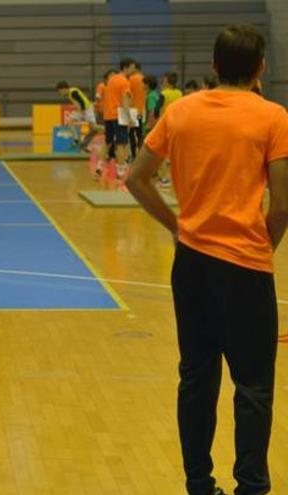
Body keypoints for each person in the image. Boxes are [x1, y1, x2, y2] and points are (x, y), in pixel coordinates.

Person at [126, 24, 288, 495]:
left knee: (196, 378)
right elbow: (282, 205)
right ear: (260, 68)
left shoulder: (179, 112)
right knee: (253, 386)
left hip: (192, 264)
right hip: (247, 266)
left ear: (214, 66)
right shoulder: (274, 117)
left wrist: (177, 226)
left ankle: (199, 484)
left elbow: (137, 179)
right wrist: (263, 244)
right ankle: (252, 487)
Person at [102, 58, 136, 176]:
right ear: (126, 67)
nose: (134, 69)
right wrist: (130, 119)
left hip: (108, 115)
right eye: (132, 67)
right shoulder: (124, 82)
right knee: (121, 143)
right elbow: (125, 102)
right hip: (119, 116)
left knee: (108, 142)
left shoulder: (112, 80)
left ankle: (100, 168)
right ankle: (120, 170)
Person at [55, 80, 98, 152]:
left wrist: (82, 111)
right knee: (70, 122)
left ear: (64, 89)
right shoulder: (69, 94)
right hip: (82, 111)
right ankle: (76, 140)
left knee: (94, 128)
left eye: (60, 91)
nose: (60, 93)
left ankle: (109, 131)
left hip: (87, 110)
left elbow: (82, 102)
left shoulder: (73, 92)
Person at [129, 63, 147, 159]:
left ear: (135, 68)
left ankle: (133, 155)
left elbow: (129, 95)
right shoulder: (144, 79)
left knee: (131, 134)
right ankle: (141, 155)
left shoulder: (131, 79)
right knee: (140, 135)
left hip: (132, 111)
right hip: (141, 111)